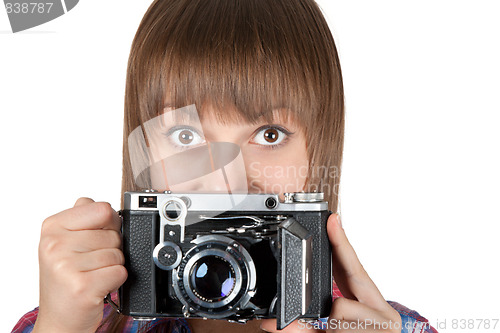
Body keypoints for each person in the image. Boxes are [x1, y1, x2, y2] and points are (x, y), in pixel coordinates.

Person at [12, 0, 437, 332]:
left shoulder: (396, 329)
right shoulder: (76, 322)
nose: (225, 179)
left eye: (269, 134)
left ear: (317, 152)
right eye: (186, 136)